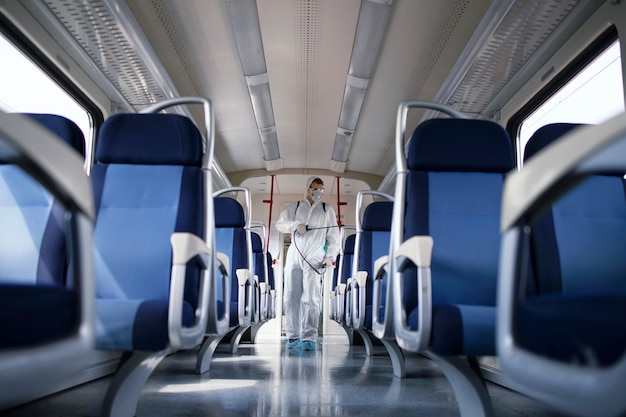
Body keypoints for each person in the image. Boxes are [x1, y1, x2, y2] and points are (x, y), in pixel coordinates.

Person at [276, 177, 340, 351]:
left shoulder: (327, 210)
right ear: (308, 189)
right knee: (291, 296)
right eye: (315, 189)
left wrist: (330, 256)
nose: (318, 192)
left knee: (311, 297)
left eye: (321, 189)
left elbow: (334, 237)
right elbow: (280, 224)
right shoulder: (295, 207)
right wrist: (296, 225)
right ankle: (293, 336)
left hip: (315, 256)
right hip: (295, 254)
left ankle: (309, 337)